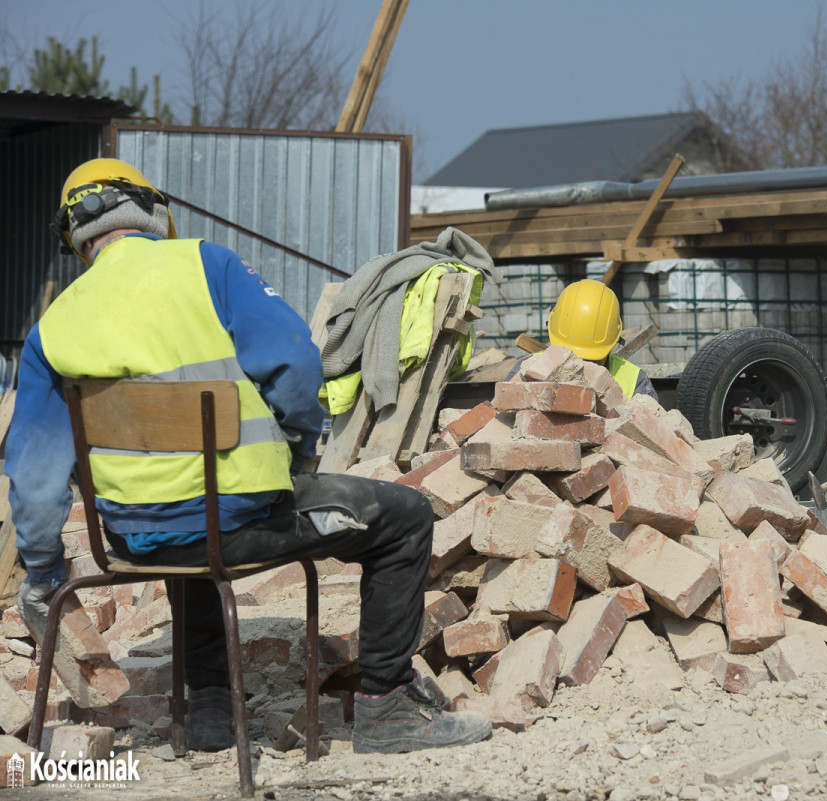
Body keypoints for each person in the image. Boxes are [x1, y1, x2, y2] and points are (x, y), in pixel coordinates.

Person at [6, 158, 492, 755]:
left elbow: (32, 474)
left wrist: (46, 572)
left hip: (135, 539)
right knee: (406, 516)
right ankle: (386, 708)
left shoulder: (52, 328)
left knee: (191, 522)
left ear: (76, 241)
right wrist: (296, 448)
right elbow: (296, 364)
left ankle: (211, 711)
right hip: (240, 525)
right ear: (155, 212)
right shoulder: (206, 265)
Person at [507, 278, 659, 401]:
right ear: (615, 338)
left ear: (552, 325)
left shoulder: (526, 369)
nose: (579, 367)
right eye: (571, 357)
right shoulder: (635, 380)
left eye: (591, 361)